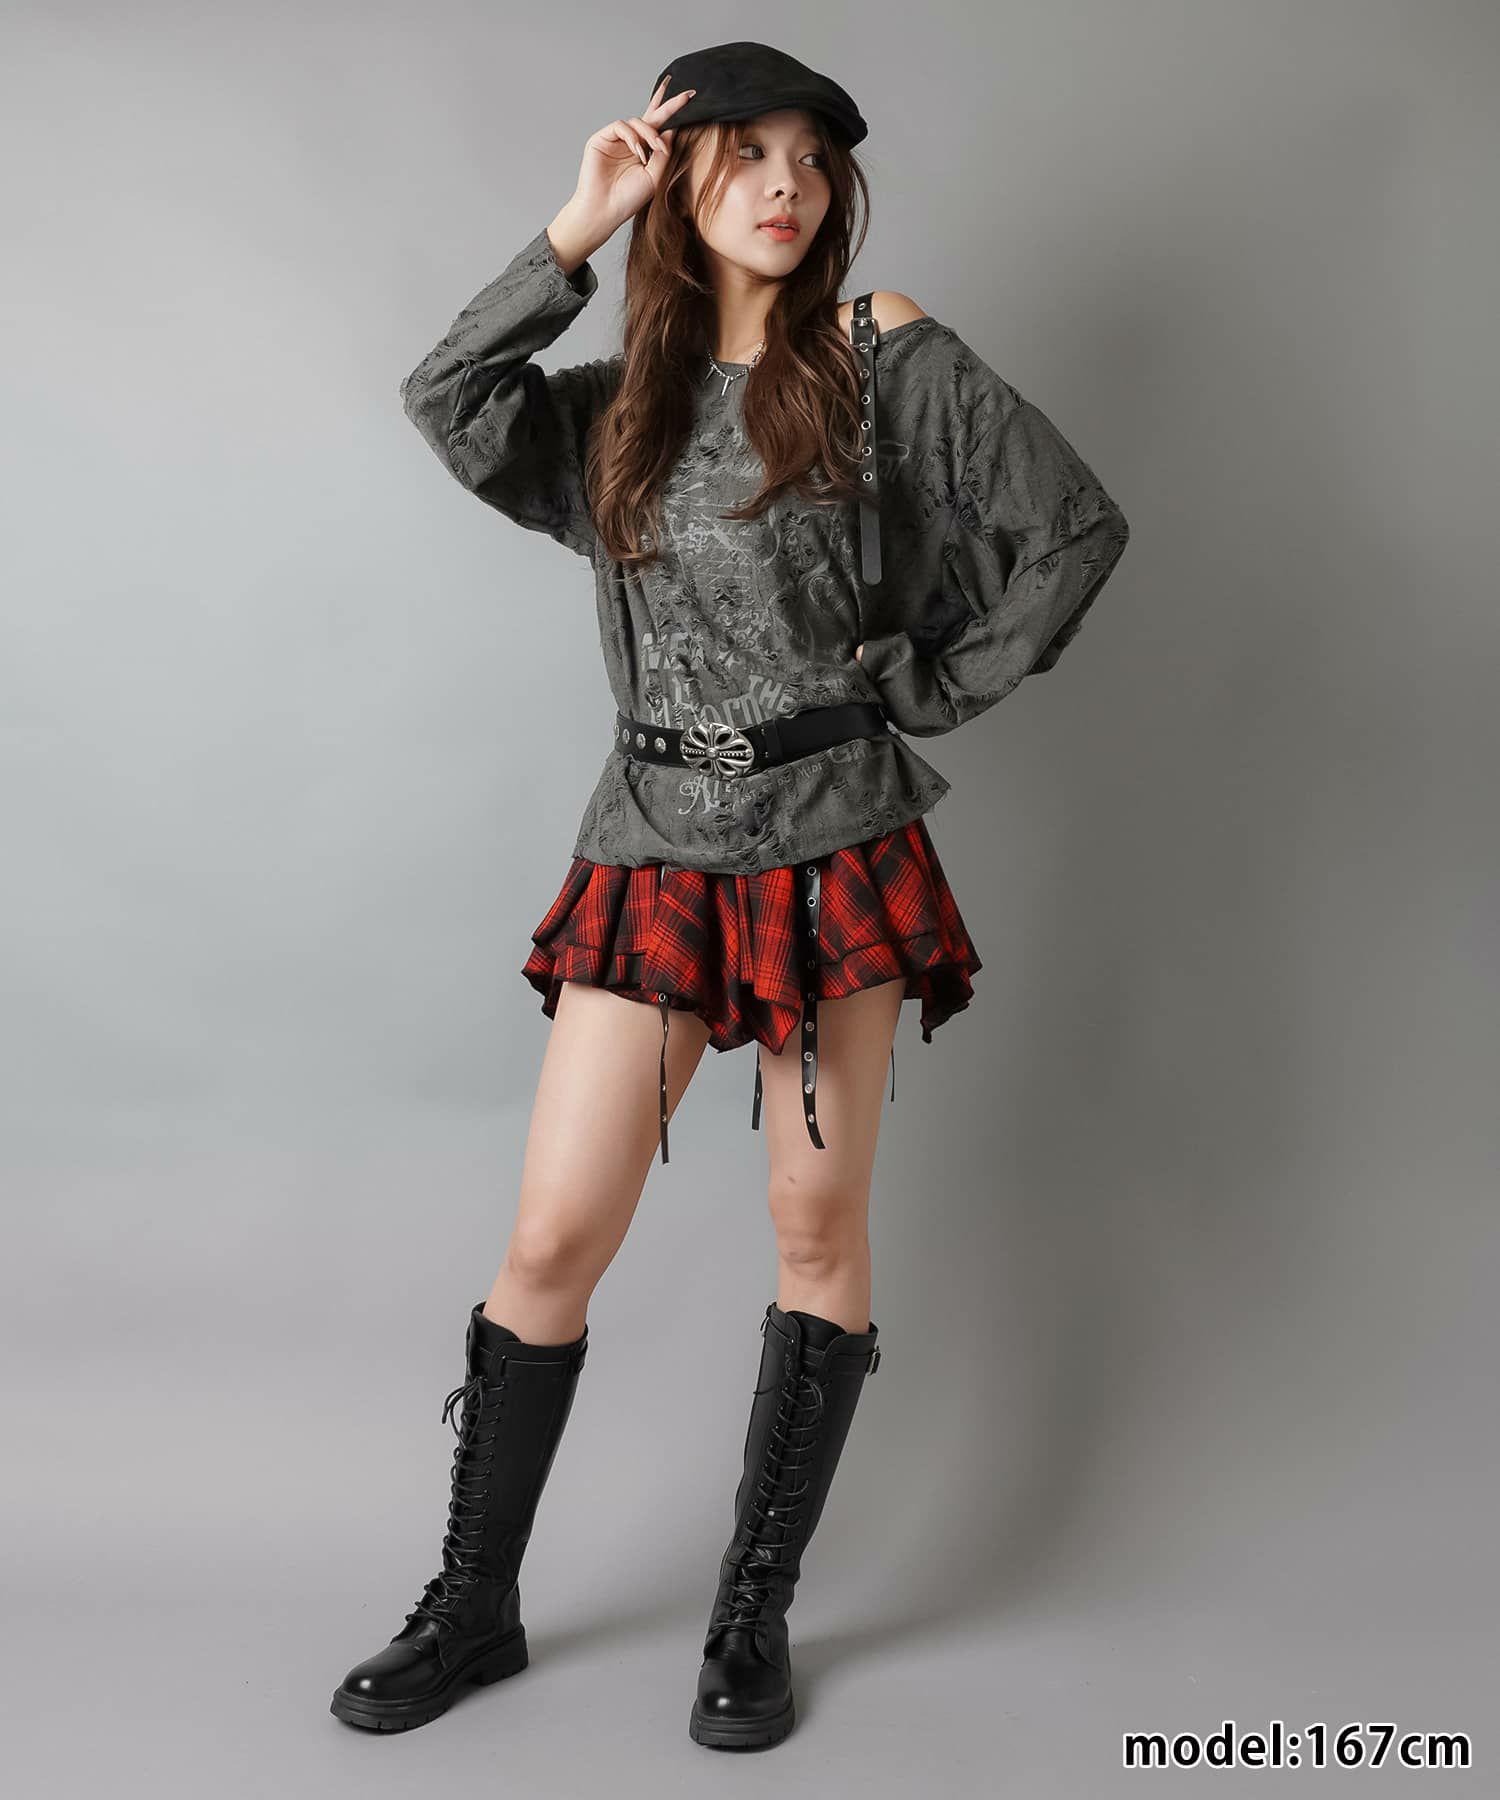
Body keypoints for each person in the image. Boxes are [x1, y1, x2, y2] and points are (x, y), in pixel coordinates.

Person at [329, 40, 1130, 1749]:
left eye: (812, 158)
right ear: (679, 180)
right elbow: (448, 400)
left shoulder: (880, 354)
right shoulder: (613, 404)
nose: (787, 185)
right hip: (651, 851)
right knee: (554, 1236)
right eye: (746, 153)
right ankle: (474, 1606)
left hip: (836, 845)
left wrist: (926, 687)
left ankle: (748, 1618)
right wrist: (575, 225)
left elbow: (1072, 530)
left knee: (813, 1225)